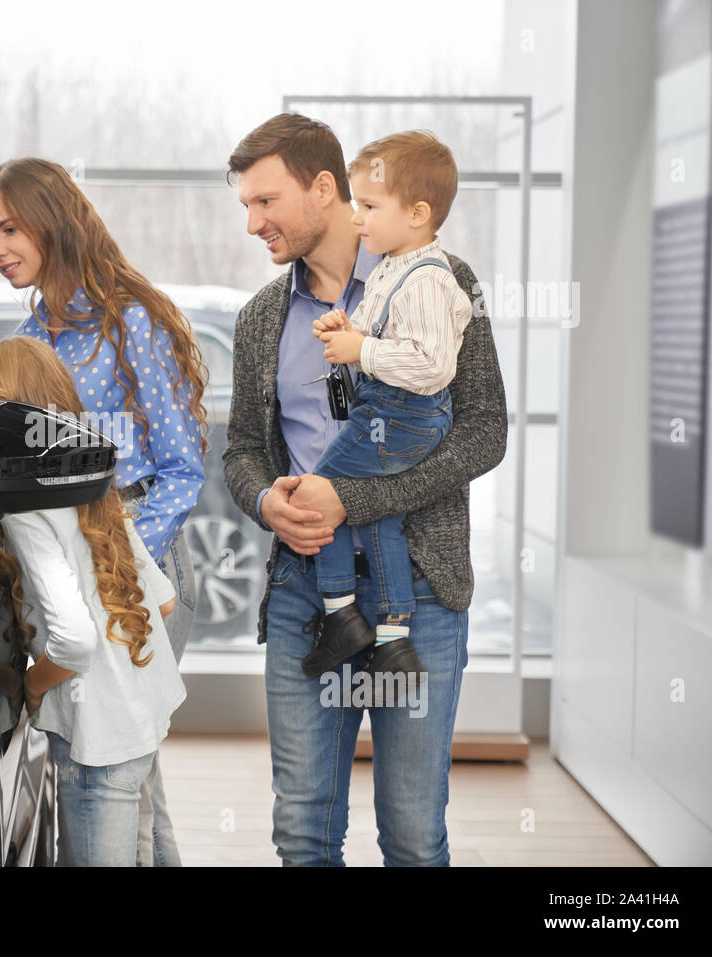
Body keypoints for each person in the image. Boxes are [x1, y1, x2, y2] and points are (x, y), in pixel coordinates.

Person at [221, 113, 508, 866]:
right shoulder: (260, 321)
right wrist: (265, 502)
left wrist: (356, 500)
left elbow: (484, 431)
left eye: (265, 201)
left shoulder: (441, 283)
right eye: (245, 205)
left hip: (420, 591)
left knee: (413, 833)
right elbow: (243, 452)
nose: (252, 223)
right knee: (302, 833)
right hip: (301, 594)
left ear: (325, 189)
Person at [0, 157, 209, 866]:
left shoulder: (129, 320)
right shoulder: (35, 326)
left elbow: (181, 470)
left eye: (9, 227)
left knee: (116, 768)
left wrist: (115, 559)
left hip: (138, 564)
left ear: (55, 219)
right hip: (90, 557)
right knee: (134, 777)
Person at [0, 335, 186, 867]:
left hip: (96, 742)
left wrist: (31, 689)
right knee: (151, 846)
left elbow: (76, 642)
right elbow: (165, 602)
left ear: (3, 424)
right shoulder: (96, 486)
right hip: (140, 721)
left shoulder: (21, 509)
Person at [301, 131, 474, 702]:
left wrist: (360, 352)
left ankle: (341, 612)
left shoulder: (428, 277)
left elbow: (432, 365)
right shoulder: (396, 267)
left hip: (403, 416)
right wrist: (349, 333)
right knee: (378, 516)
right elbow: (387, 333)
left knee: (317, 492)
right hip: (391, 414)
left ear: (418, 213)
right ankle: (394, 638)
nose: (357, 219)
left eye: (370, 207)